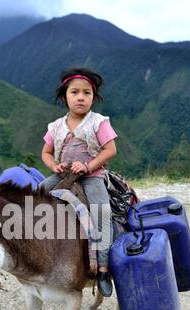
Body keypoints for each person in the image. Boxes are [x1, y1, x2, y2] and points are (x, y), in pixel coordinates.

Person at [39, 67, 118, 297]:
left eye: (87, 93)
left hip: (91, 178)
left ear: (93, 97)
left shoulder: (98, 122)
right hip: (63, 176)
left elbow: (111, 149)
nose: (81, 97)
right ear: (65, 96)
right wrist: (54, 165)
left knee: (102, 212)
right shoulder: (55, 126)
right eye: (75, 92)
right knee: (33, 198)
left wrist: (88, 165)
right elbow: (45, 152)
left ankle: (103, 268)